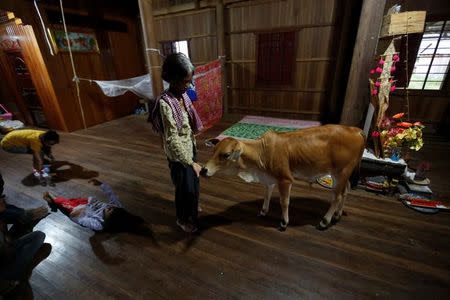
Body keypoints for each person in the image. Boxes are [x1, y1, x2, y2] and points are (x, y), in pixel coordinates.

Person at [149, 53, 203, 233]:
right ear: (173, 79)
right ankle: (182, 218)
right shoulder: (166, 104)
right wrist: (190, 162)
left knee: (193, 184)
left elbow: (187, 124)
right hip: (178, 156)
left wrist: (193, 153)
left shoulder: (184, 96)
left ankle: (193, 207)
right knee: (183, 189)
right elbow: (172, 139)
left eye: (190, 81)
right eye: (186, 82)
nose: (189, 86)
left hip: (190, 147)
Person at [42, 179, 144, 232]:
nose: (109, 207)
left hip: (79, 211)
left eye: (109, 211)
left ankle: (50, 198)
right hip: (87, 203)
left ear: (109, 219)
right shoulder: (118, 209)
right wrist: (101, 184)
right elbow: (111, 195)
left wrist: (76, 211)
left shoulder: (99, 225)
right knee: (68, 200)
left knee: (59, 200)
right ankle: (53, 201)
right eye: (111, 207)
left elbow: (79, 219)